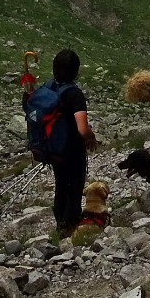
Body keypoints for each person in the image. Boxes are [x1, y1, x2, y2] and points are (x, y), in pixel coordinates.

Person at [47, 49, 97, 238]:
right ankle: (69, 230)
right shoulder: (74, 94)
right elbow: (82, 128)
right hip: (72, 150)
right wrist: (91, 138)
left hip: (53, 148)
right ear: (76, 70)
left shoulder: (49, 87)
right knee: (74, 190)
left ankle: (60, 223)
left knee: (60, 185)